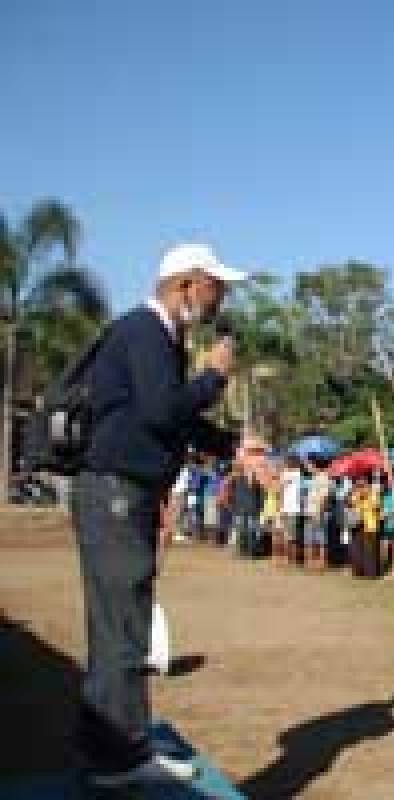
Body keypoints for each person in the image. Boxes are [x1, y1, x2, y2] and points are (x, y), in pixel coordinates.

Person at [70, 242, 244, 786]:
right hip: (117, 492)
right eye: (217, 286)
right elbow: (162, 410)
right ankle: (120, 758)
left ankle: (109, 750)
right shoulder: (146, 331)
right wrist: (213, 376)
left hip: (123, 493)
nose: (223, 297)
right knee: (123, 623)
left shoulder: (161, 337)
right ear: (187, 283)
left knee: (120, 622)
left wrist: (235, 447)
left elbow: (172, 421)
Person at [302, 460, 334, 570]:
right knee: (310, 538)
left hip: (319, 512)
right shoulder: (314, 479)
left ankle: (321, 562)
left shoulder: (324, 479)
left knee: (320, 539)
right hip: (310, 511)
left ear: (316, 466)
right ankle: (310, 561)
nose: (308, 468)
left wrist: (318, 512)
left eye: (310, 465)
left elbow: (324, 497)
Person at [278, 457, 306, 565]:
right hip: (290, 508)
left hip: (292, 508)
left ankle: (291, 558)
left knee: (291, 536)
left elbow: (281, 489)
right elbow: (281, 491)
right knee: (289, 535)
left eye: (286, 462)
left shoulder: (295, 474)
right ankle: (290, 558)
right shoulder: (295, 474)